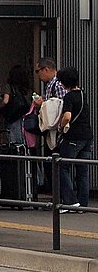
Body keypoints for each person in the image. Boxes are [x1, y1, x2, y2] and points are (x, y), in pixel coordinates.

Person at [55, 67, 92, 212]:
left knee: (61, 166)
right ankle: (83, 204)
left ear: (64, 82)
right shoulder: (83, 94)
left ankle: (70, 201)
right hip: (87, 137)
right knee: (82, 170)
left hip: (74, 137)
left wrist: (60, 127)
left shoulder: (69, 97)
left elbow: (67, 116)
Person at [0, 64, 33, 146]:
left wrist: (0, 108)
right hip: (26, 118)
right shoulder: (28, 90)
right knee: (24, 140)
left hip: (13, 117)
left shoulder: (9, 87)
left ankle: (16, 156)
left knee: (13, 140)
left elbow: (5, 101)